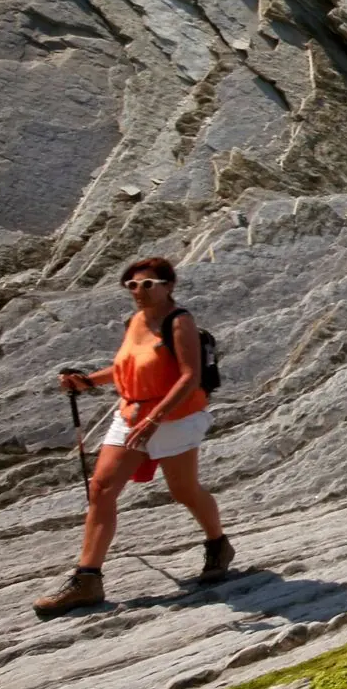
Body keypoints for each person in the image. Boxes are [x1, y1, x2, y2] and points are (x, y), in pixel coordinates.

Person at [35, 257, 231, 615]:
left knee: (183, 490)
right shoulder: (135, 322)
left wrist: (156, 418)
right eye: (131, 285)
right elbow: (126, 366)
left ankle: (218, 544)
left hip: (174, 418)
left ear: (168, 286)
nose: (138, 291)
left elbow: (189, 376)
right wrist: (89, 381)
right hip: (131, 415)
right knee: (101, 488)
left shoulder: (179, 322)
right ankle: (87, 578)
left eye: (147, 284)